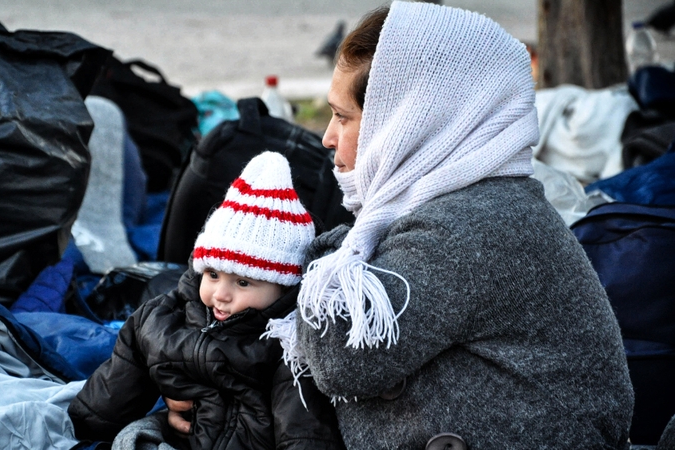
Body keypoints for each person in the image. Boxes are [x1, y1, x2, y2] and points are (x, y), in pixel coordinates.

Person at [265, 2, 634, 449]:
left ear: (404, 124)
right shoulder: (474, 201)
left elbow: (342, 359)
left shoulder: (470, 226)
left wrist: (328, 250)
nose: (326, 137)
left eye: (343, 117)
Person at [67, 151, 344, 450]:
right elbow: (122, 373)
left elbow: (304, 434)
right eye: (212, 274)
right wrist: (88, 423)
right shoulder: (166, 318)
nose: (221, 294)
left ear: (283, 288)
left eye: (242, 282)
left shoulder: (287, 349)